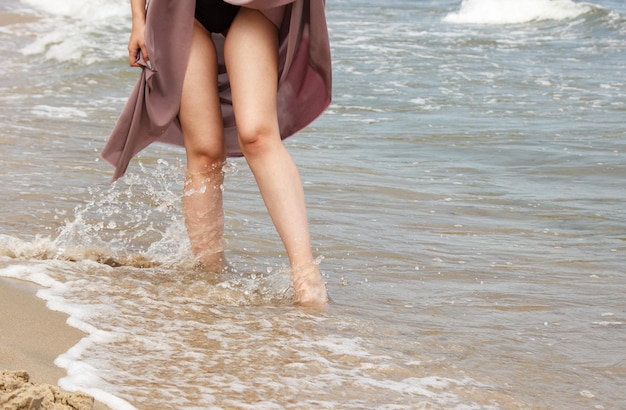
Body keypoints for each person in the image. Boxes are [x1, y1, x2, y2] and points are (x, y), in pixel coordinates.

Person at [102, 0, 332, 308]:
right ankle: (210, 277)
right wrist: (138, 19)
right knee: (205, 153)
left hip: (254, 6)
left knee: (258, 136)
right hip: (181, 9)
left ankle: (306, 278)